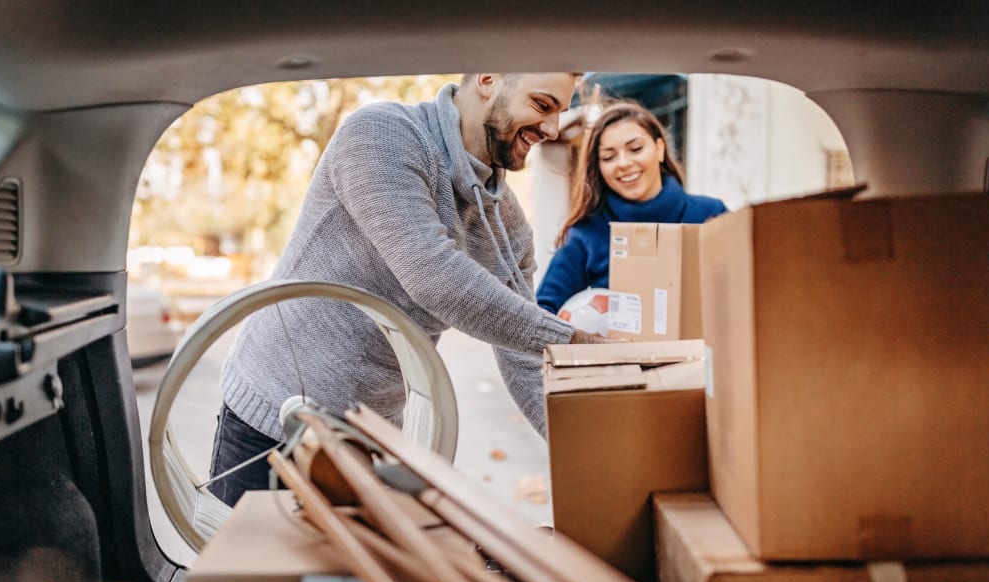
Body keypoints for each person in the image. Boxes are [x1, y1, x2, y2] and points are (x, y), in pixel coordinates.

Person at [209, 73, 607, 507]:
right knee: (248, 571)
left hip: (368, 437)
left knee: (344, 576)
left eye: (560, 113)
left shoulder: (506, 224)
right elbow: (435, 277)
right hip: (273, 415)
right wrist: (574, 341)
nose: (551, 129)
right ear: (489, 78)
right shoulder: (382, 135)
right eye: (542, 105)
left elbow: (524, 359)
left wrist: (593, 459)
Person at [536, 102, 727, 314]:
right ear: (599, 167)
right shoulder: (587, 234)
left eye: (635, 149)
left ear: (660, 149)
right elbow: (542, 313)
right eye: (609, 157)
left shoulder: (712, 216)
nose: (624, 163)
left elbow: (745, 287)